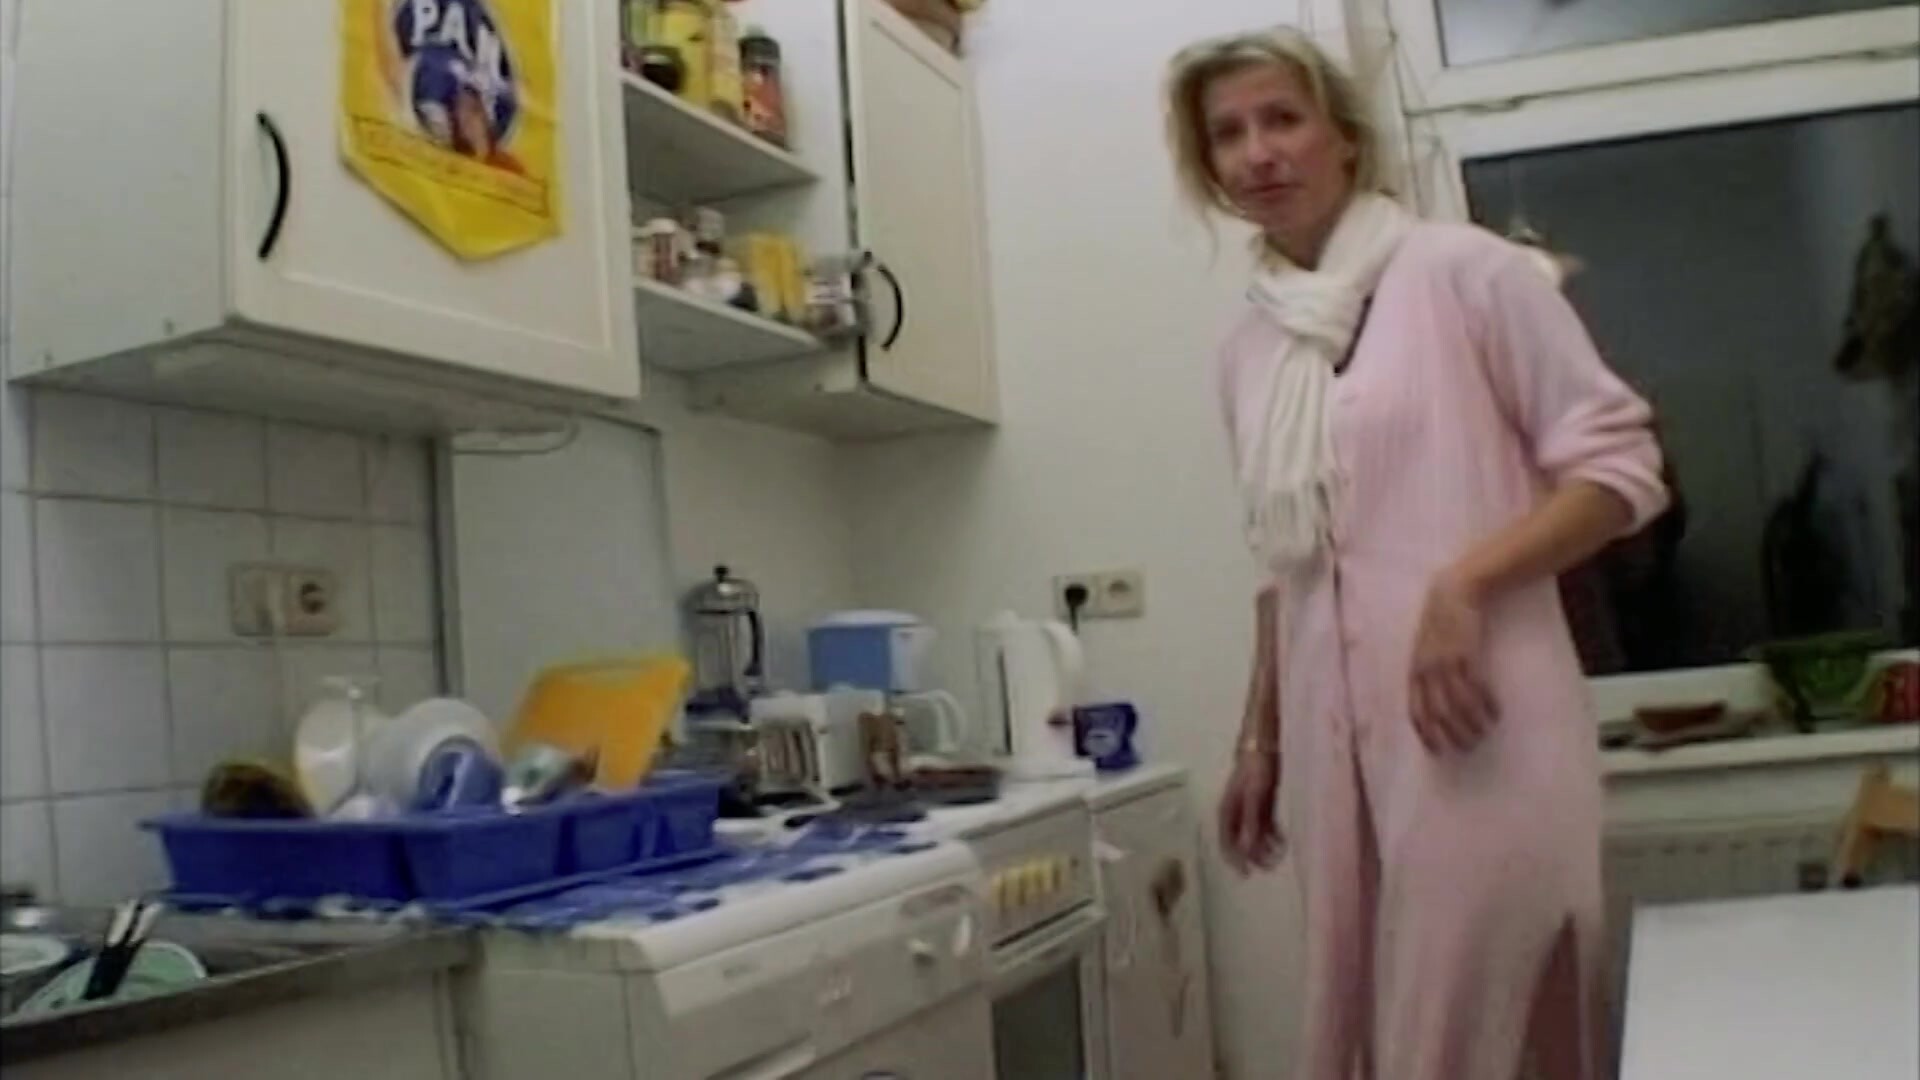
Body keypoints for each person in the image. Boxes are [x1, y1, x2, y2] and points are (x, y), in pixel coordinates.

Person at [1167, 27, 1668, 1080]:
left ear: (1345, 137)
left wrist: (1464, 584)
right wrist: (1260, 740)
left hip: (1485, 721)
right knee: (1374, 1026)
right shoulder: (1251, 347)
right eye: (1228, 134)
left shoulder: (1468, 272)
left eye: (1283, 118)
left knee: (1496, 1023)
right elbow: (1286, 565)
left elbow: (1621, 473)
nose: (1259, 152)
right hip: (1333, 747)